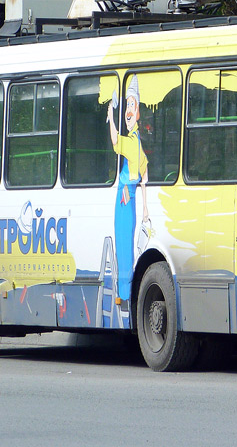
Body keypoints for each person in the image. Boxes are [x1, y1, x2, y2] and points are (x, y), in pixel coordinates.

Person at [106, 76, 149, 309]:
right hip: (128, 199)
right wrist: (145, 208)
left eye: (132, 105)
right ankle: (125, 291)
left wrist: (111, 116)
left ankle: (124, 292)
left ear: (138, 111)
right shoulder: (137, 140)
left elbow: (115, 140)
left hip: (124, 200)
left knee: (124, 245)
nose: (129, 112)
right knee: (125, 245)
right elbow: (144, 176)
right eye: (127, 106)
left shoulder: (132, 141)